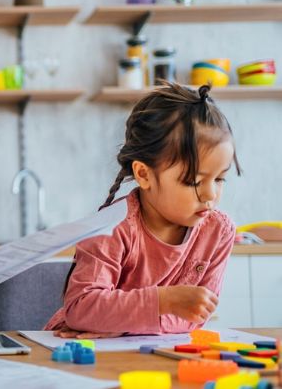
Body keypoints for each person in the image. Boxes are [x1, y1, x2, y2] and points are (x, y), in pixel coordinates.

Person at [45, 83, 241, 338]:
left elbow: (195, 318)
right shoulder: (111, 227)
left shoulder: (219, 231)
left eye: (219, 179)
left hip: (146, 353)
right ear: (143, 174)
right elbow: (80, 309)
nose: (211, 195)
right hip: (77, 351)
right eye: (193, 181)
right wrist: (163, 301)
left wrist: (119, 322)